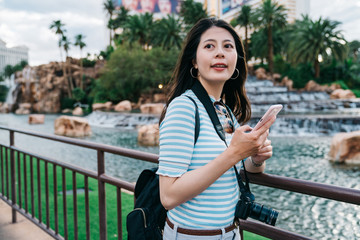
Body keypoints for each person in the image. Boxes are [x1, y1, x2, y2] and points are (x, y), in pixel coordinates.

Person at [157, 18, 276, 240]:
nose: (220, 53)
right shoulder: (184, 107)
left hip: (230, 233)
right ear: (193, 60)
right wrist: (235, 153)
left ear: (237, 60)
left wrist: (256, 157)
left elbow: (244, 168)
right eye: (209, 46)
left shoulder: (225, 111)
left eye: (228, 46)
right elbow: (168, 196)